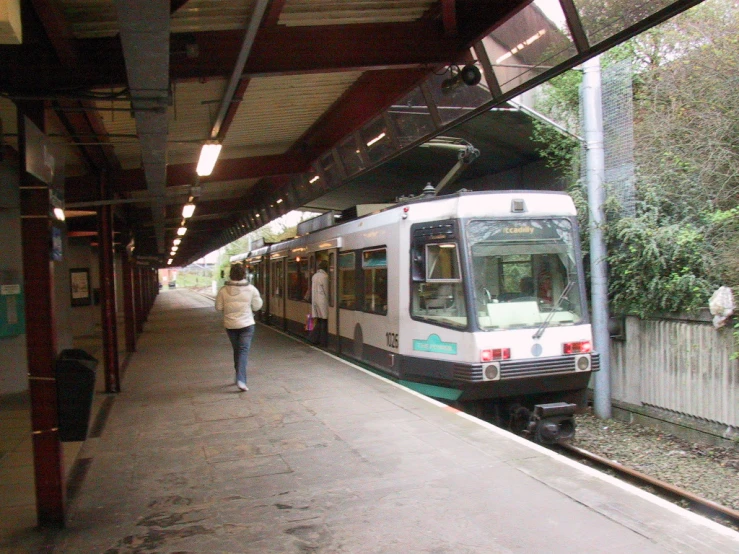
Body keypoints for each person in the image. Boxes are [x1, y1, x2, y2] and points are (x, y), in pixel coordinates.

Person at [215, 264, 263, 391]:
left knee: (237, 350)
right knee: (242, 351)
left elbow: (218, 307)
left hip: (230, 325)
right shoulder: (251, 289)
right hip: (247, 324)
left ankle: (239, 376)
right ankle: (241, 379)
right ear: (244, 275)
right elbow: (257, 306)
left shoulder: (223, 290)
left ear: (231, 274)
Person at [310, 260, 329, 347]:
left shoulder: (314, 276)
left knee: (320, 320)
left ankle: (314, 338)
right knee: (324, 320)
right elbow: (326, 290)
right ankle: (321, 340)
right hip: (323, 302)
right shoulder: (325, 277)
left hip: (315, 301)